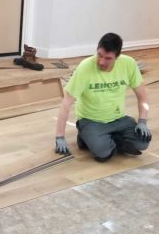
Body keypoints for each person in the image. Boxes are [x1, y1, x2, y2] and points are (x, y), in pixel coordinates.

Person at [54, 33, 152, 162]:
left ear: (117, 57)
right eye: (99, 55)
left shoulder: (128, 64)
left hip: (119, 119)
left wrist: (142, 122)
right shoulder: (85, 68)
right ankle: (87, 137)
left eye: (108, 58)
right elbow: (66, 102)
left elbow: (142, 96)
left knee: (142, 143)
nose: (101, 61)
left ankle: (105, 138)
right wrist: (60, 137)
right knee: (103, 153)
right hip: (91, 121)